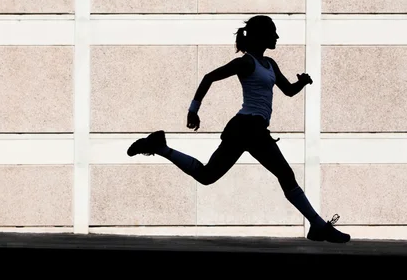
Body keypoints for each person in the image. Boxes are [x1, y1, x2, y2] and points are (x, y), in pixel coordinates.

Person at [127, 15, 350, 244]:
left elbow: (288, 91)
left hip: (248, 128)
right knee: (285, 175)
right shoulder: (247, 62)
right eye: (273, 32)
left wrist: (302, 83)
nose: (277, 36)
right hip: (249, 127)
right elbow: (209, 77)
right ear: (261, 36)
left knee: (207, 176)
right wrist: (193, 110)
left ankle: (160, 147)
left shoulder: (270, 64)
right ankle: (318, 226)